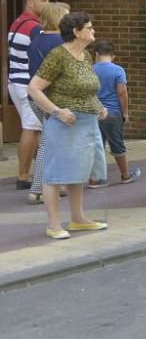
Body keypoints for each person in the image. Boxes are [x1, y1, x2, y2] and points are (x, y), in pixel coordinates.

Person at [27, 12, 109, 239]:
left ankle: (78, 218)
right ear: (76, 32)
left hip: (86, 121)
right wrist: (57, 112)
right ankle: (54, 225)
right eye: (90, 28)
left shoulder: (85, 56)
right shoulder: (58, 56)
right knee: (54, 173)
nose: (93, 31)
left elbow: (88, 88)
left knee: (78, 172)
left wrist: (99, 106)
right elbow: (33, 88)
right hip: (65, 123)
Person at [24, 2, 69, 205]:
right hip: (53, 98)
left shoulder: (36, 40)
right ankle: (38, 189)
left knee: (52, 140)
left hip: (36, 97)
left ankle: (54, 184)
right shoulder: (62, 41)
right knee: (49, 142)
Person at [8, 0, 48, 189]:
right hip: (26, 83)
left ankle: (41, 171)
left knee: (34, 128)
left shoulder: (17, 22)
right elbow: (40, 55)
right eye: (43, 0)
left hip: (14, 80)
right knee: (31, 128)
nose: (47, 4)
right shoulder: (34, 26)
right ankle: (23, 177)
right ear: (30, 3)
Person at [92, 40, 141, 187]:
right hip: (113, 113)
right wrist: (125, 112)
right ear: (113, 56)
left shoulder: (90, 70)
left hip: (95, 113)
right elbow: (122, 93)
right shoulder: (118, 70)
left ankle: (95, 179)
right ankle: (125, 175)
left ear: (96, 54)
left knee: (96, 146)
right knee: (118, 145)